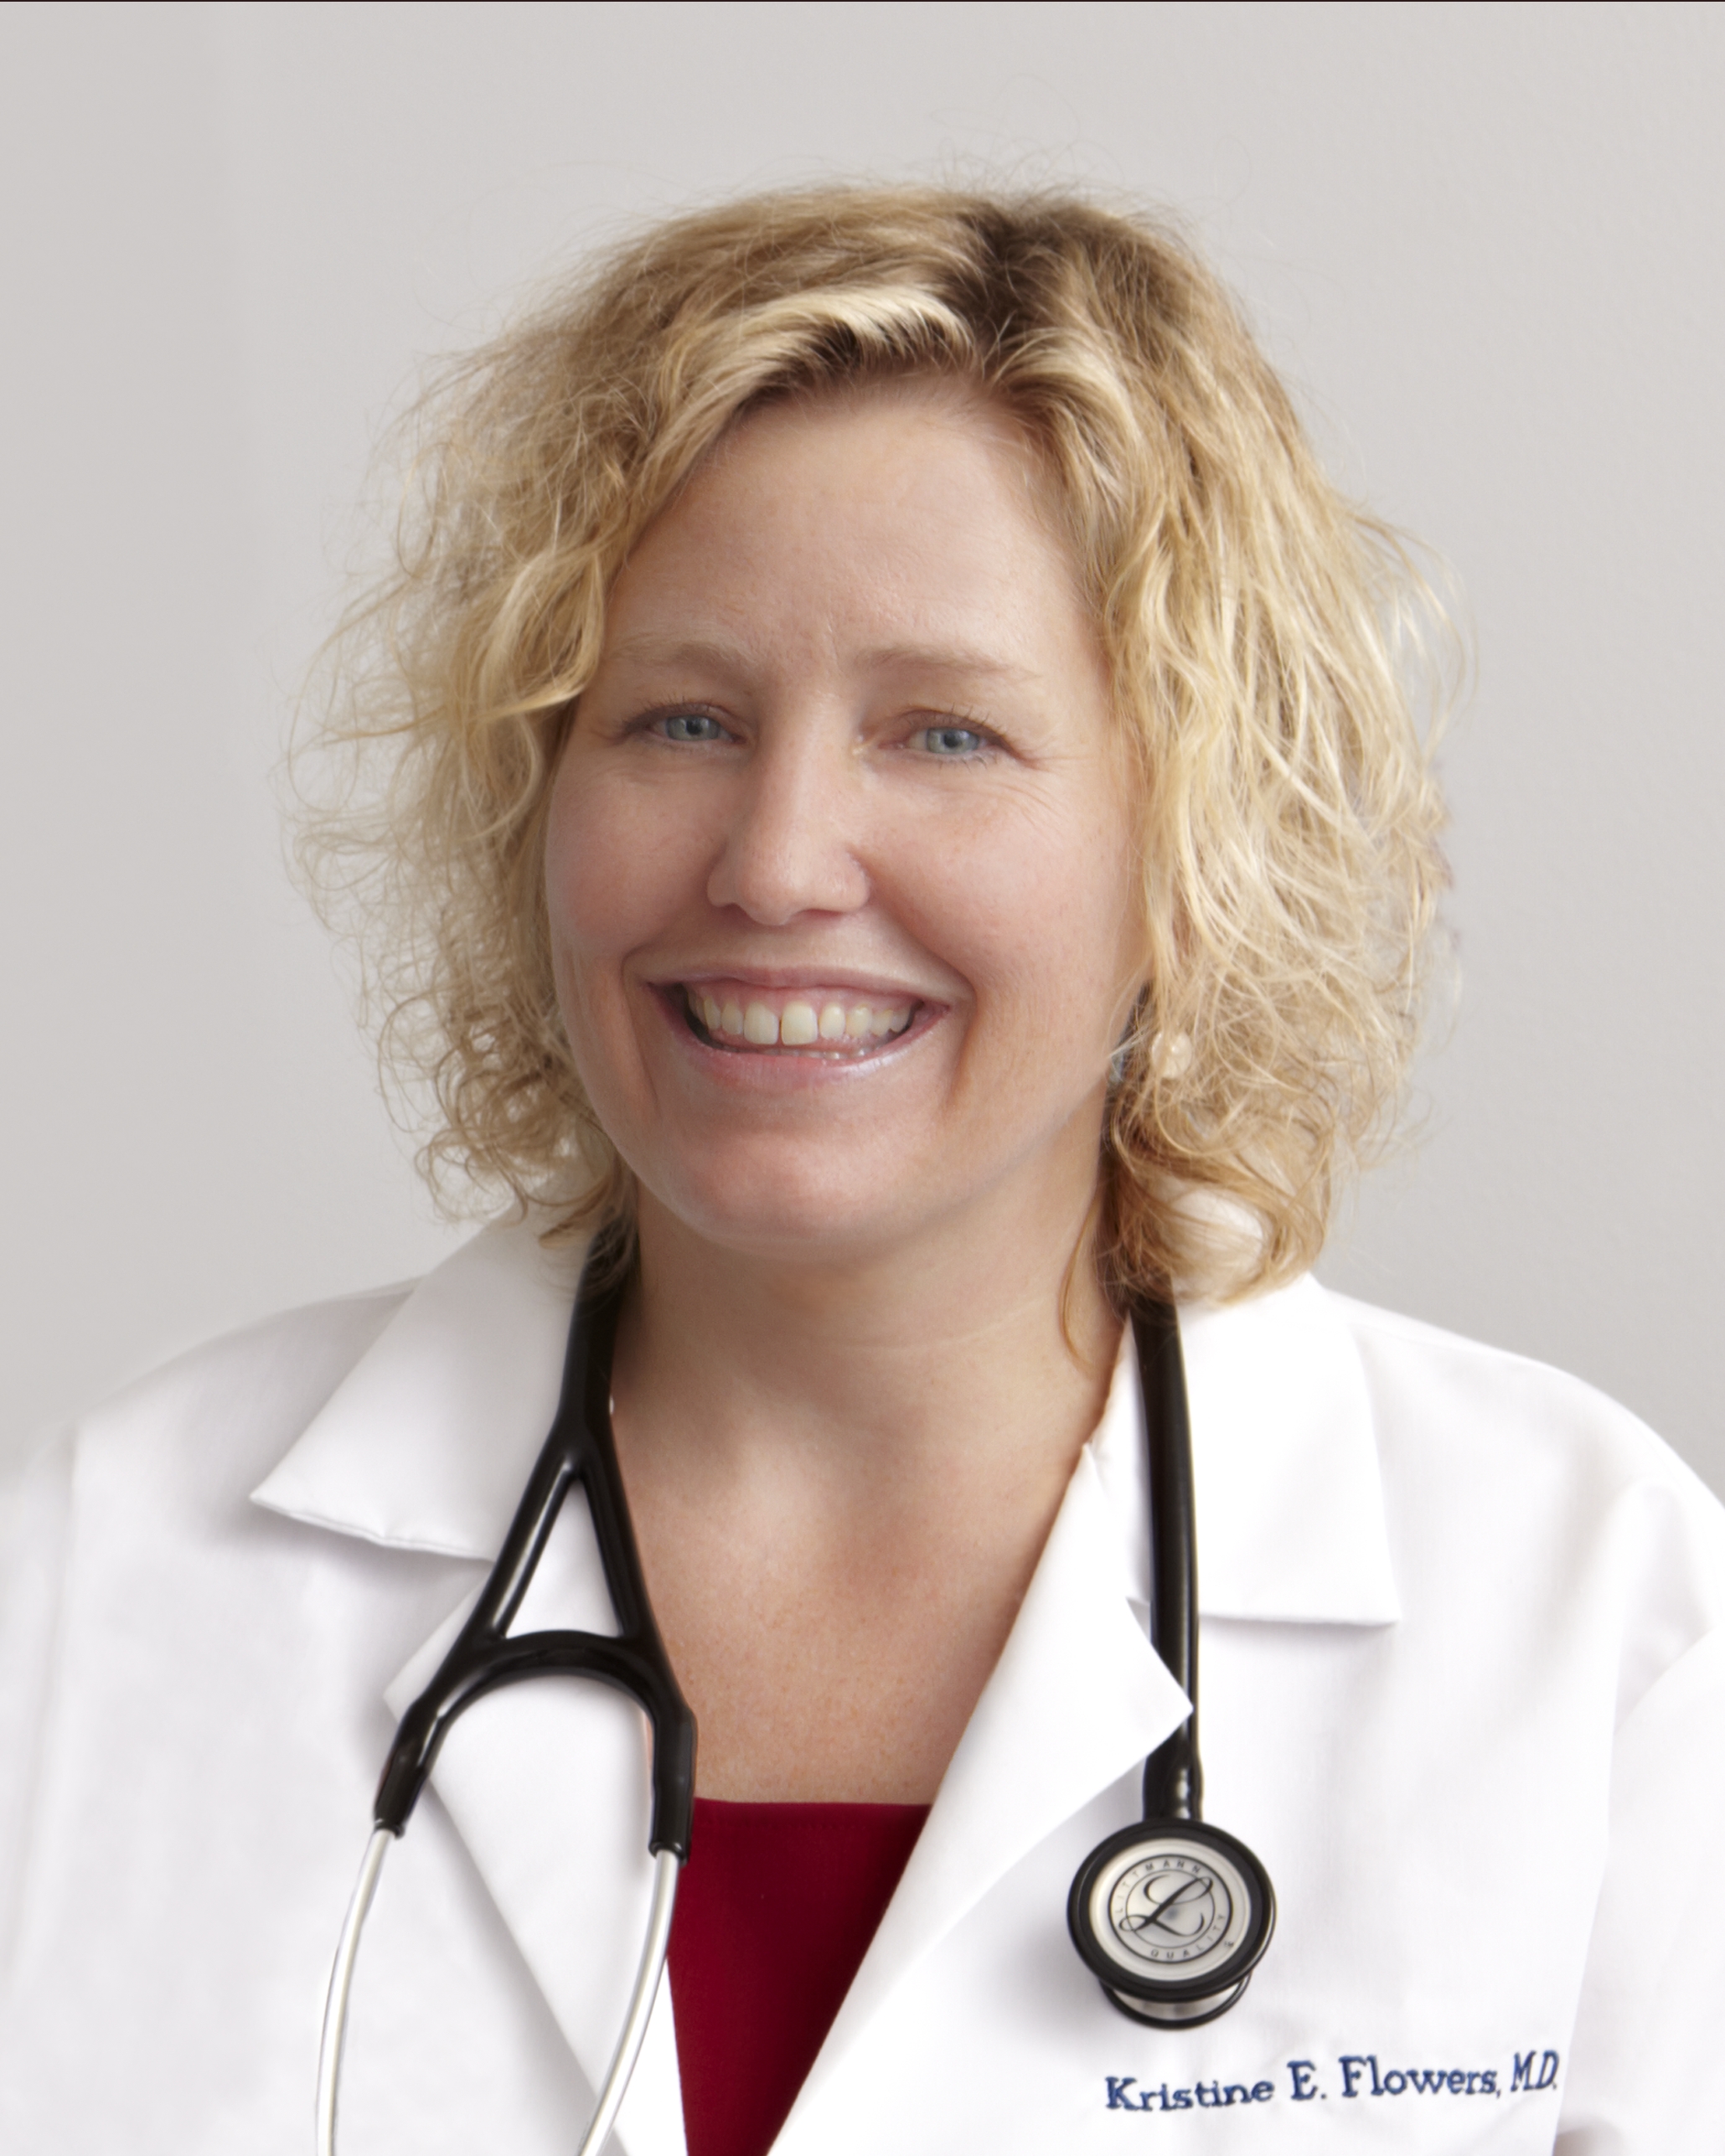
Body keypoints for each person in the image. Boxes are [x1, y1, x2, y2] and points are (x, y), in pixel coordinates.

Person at [3, 185, 1721, 2156]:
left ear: (1193, 838)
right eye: (681, 719)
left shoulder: (1590, 1619)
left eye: (944, 735)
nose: (776, 860)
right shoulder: (106, 1578)